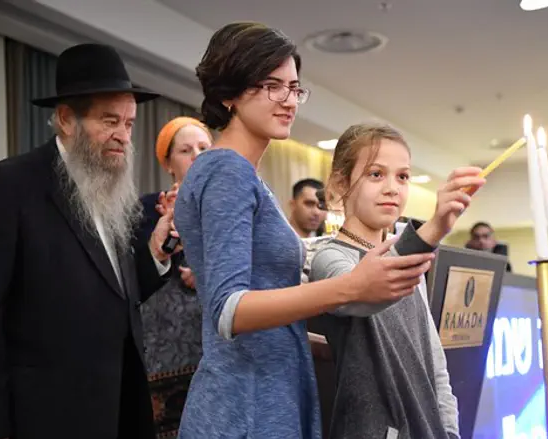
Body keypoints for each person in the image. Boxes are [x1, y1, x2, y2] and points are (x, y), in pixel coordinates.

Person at [173, 22, 435, 439]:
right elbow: (229, 311)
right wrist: (350, 287)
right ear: (230, 93)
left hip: (265, 392)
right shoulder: (227, 171)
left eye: (294, 88)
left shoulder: (242, 175)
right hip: (245, 406)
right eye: (272, 86)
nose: (289, 100)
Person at [0, 43, 178, 439]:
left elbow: (110, 296)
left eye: (129, 124)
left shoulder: (111, 192)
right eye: (110, 121)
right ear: (65, 119)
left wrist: (155, 256)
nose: (123, 136)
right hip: (44, 417)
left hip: (116, 409)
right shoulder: (9, 185)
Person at [308, 123, 485, 439]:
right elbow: (362, 291)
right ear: (339, 182)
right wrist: (434, 228)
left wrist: (448, 429)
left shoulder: (406, 258)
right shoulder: (329, 258)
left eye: (402, 176)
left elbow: (433, 362)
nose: (392, 187)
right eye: (376, 174)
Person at [136, 117, 213, 438]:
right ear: (168, 163)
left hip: (215, 349)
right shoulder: (146, 210)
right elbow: (134, 275)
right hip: (162, 356)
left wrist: (207, 272)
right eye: (185, 150)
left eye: (204, 148)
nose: (196, 155)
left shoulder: (229, 208)